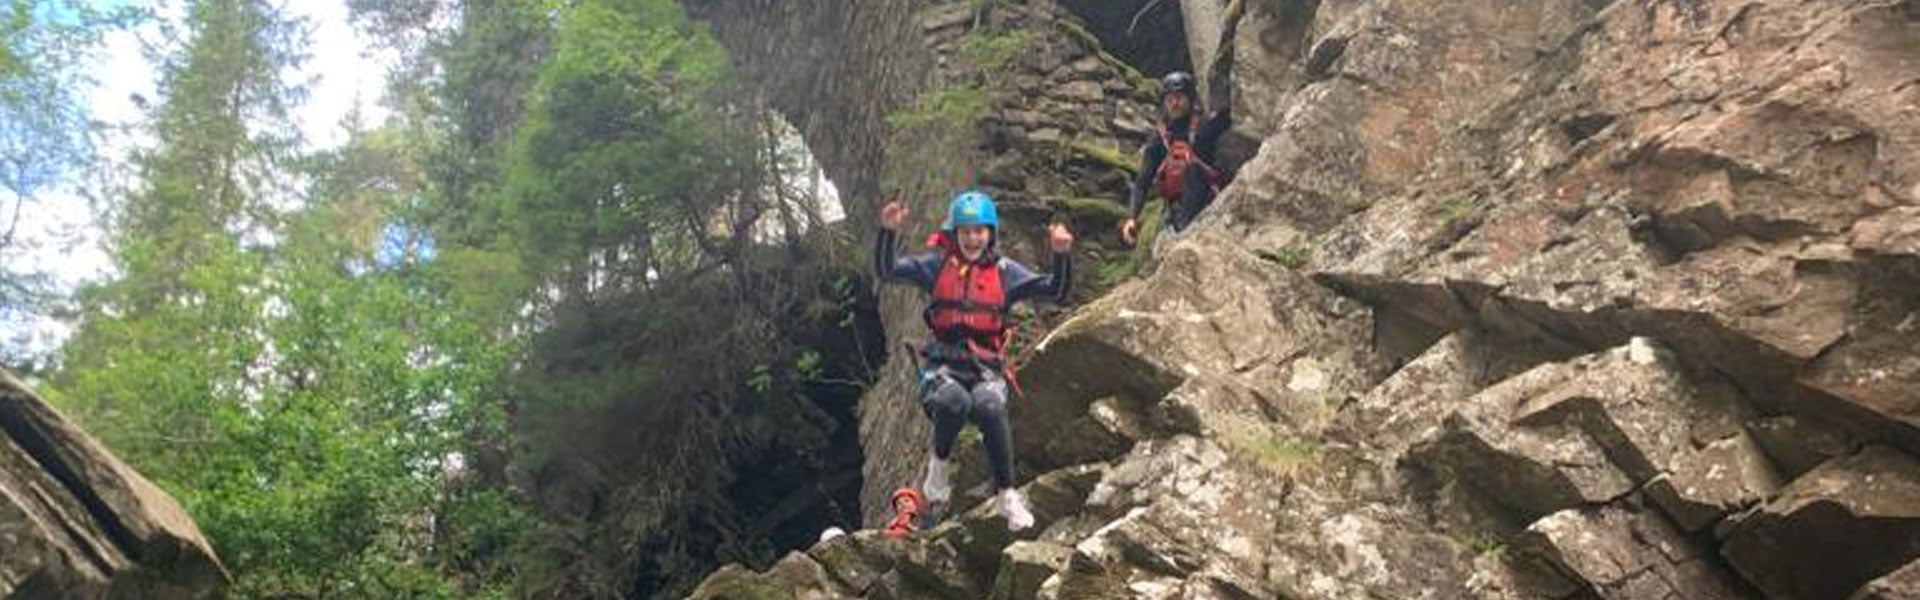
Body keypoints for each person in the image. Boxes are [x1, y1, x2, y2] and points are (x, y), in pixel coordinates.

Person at [875, 190, 1074, 531]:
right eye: (965, 231)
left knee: (990, 405)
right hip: (943, 368)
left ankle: (1007, 496)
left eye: (979, 230)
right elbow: (887, 271)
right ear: (955, 234)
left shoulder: (1005, 272)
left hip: (985, 369)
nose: (972, 238)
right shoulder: (935, 266)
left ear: (990, 233)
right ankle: (936, 473)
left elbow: (1056, 290)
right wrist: (887, 232)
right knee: (954, 401)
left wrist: (1061, 255)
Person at [1120, 2, 1246, 246]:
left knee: (1192, 169)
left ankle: (1186, 233)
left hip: (1207, 202)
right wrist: (1131, 217)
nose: (1175, 103)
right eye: (1170, 99)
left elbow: (1233, 113)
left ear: (1190, 98)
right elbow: (1144, 180)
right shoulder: (1160, 138)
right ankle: (1178, 232)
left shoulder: (1208, 125)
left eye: (1179, 97)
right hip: (1175, 210)